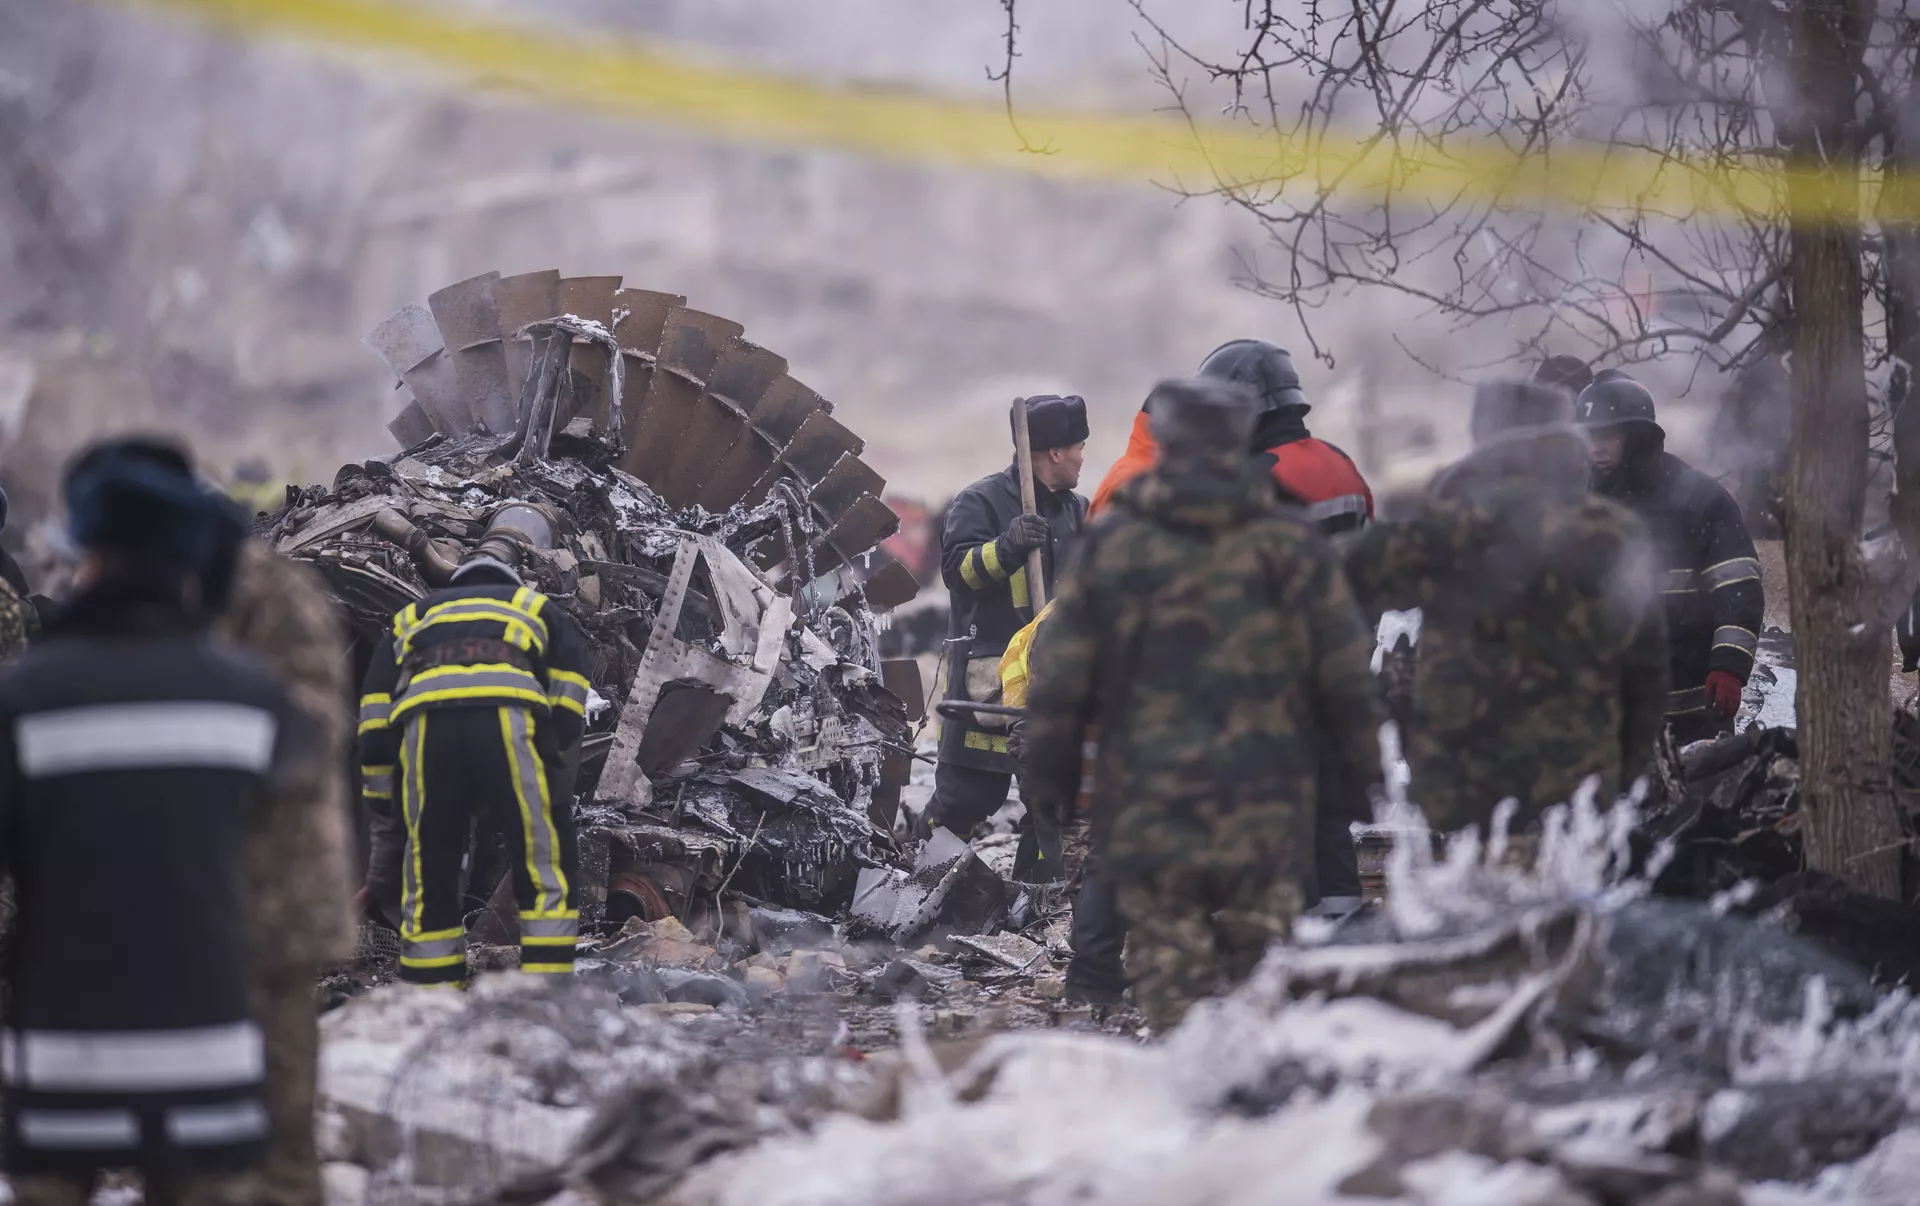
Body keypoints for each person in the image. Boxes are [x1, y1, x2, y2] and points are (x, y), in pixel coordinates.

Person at [0, 439, 310, 1205]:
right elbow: (280, 878)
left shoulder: (25, 698)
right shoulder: (252, 698)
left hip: (63, 1060)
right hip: (210, 1055)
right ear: (188, 564)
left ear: (88, 556)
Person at [1021, 378, 1383, 1028]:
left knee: (1175, 992)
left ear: (1165, 440)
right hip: (1267, 814)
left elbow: (1061, 681)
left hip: (1153, 814)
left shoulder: (1117, 545)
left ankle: (1183, 1067)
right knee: (1266, 987)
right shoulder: (1290, 545)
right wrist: (1353, 785)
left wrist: (1051, 781)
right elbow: (1344, 679)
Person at [1345, 380, 1669, 835]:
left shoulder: (1448, 527)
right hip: (1574, 793)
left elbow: (1346, 581)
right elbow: (1646, 674)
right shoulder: (1613, 533)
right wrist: (1622, 778)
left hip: (1461, 797)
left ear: (1483, 436)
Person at [357, 534, 590, 987]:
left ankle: (433, 991)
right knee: (542, 854)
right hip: (510, 720)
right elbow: (569, 687)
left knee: (430, 864)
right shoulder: (534, 607)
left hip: (428, 730)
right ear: (510, 581)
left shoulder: (413, 616)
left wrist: (383, 799)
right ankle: (546, 984)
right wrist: (551, 756)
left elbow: (374, 716)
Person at [207, 516, 354, 1206]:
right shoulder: (285, 599)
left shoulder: (269, 601)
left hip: (270, 904)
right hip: (266, 906)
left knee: (276, 1098)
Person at [928, 394, 1089, 838]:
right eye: (1078, 448)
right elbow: (957, 575)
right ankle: (918, 869)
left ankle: (1038, 880)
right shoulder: (979, 502)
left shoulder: (1078, 511)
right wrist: (1006, 548)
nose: (1082, 458)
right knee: (966, 800)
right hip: (988, 687)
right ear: (1055, 453)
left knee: (1052, 808)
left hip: (1053, 685)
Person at [1578, 370, 1763, 745]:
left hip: (1689, 715)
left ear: (1637, 436)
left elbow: (1738, 587)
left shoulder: (1698, 499)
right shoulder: (1577, 503)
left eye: (1608, 435)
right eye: (1589, 437)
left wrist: (1729, 666)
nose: (1596, 448)